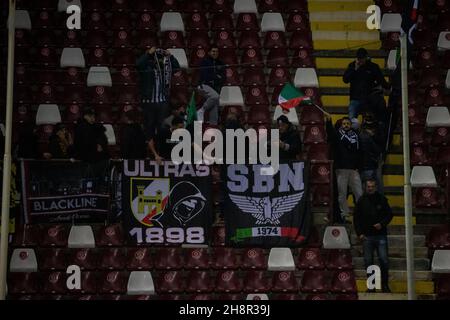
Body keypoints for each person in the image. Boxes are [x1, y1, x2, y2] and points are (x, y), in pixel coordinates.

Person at [354, 178, 393, 293]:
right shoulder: (361, 201)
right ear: (366, 187)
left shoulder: (382, 199)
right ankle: (371, 286)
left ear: (375, 187)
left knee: (384, 260)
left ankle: (385, 285)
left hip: (380, 235)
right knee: (368, 261)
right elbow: (356, 219)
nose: (370, 188)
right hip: (367, 236)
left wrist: (382, 224)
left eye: (372, 186)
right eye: (368, 186)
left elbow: (389, 215)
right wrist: (359, 233)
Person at [136, 47, 180, 145]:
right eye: (155, 56)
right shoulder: (146, 66)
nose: (157, 58)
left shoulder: (164, 67)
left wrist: (171, 57)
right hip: (149, 103)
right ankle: (151, 153)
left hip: (162, 103)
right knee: (149, 130)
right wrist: (148, 54)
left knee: (162, 129)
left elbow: (177, 69)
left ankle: (161, 151)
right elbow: (138, 65)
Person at [326, 115, 363, 222]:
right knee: (342, 194)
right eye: (344, 124)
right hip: (341, 169)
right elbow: (330, 132)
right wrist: (328, 122)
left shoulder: (355, 136)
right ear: (341, 125)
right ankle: (345, 214)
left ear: (351, 125)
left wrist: (358, 166)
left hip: (353, 170)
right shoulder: (337, 135)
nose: (346, 125)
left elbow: (360, 153)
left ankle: (361, 213)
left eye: (348, 124)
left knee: (359, 193)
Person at [343, 48, 390, 127]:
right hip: (355, 98)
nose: (360, 60)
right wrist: (355, 69)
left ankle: (381, 127)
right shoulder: (352, 65)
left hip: (369, 98)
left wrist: (387, 87)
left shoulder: (373, 67)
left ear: (366, 57)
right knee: (351, 119)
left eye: (362, 58)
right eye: (359, 58)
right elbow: (345, 80)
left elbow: (381, 80)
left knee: (378, 108)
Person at [197, 46, 226, 125]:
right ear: (209, 52)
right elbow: (206, 76)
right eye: (213, 51)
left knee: (215, 107)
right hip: (203, 85)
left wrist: (214, 77)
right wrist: (216, 76)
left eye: (216, 51)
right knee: (215, 97)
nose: (215, 53)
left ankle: (213, 126)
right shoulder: (205, 62)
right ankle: (201, 110)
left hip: (215, 88)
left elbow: (223, 78)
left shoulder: (221, 63)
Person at [359, 113, 386, 193]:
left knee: (378, 179)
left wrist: (373, 135)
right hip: (366, 156)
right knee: (366, 180)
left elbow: (382, 141)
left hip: (377, 155)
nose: (368, 120)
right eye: (366, 118)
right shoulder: (362, 128)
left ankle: (380, 199)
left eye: (369, 117)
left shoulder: (378, 127)